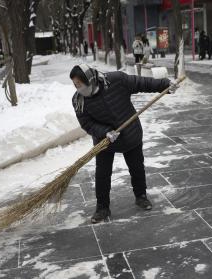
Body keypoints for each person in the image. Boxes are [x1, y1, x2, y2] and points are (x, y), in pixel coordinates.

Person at [69, 64, 179, 223]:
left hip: (130, 133)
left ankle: (141, 196)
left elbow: (143, 83)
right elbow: (87, 124)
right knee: (102, 174)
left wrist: (165, 85)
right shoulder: (79, 100)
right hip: (105, 140)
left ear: (90, 79)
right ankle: (102, 208)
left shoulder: (116, 81)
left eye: (79, 84)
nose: (77, 89)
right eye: (75, 85)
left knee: (136, 167)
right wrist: (105, 132)